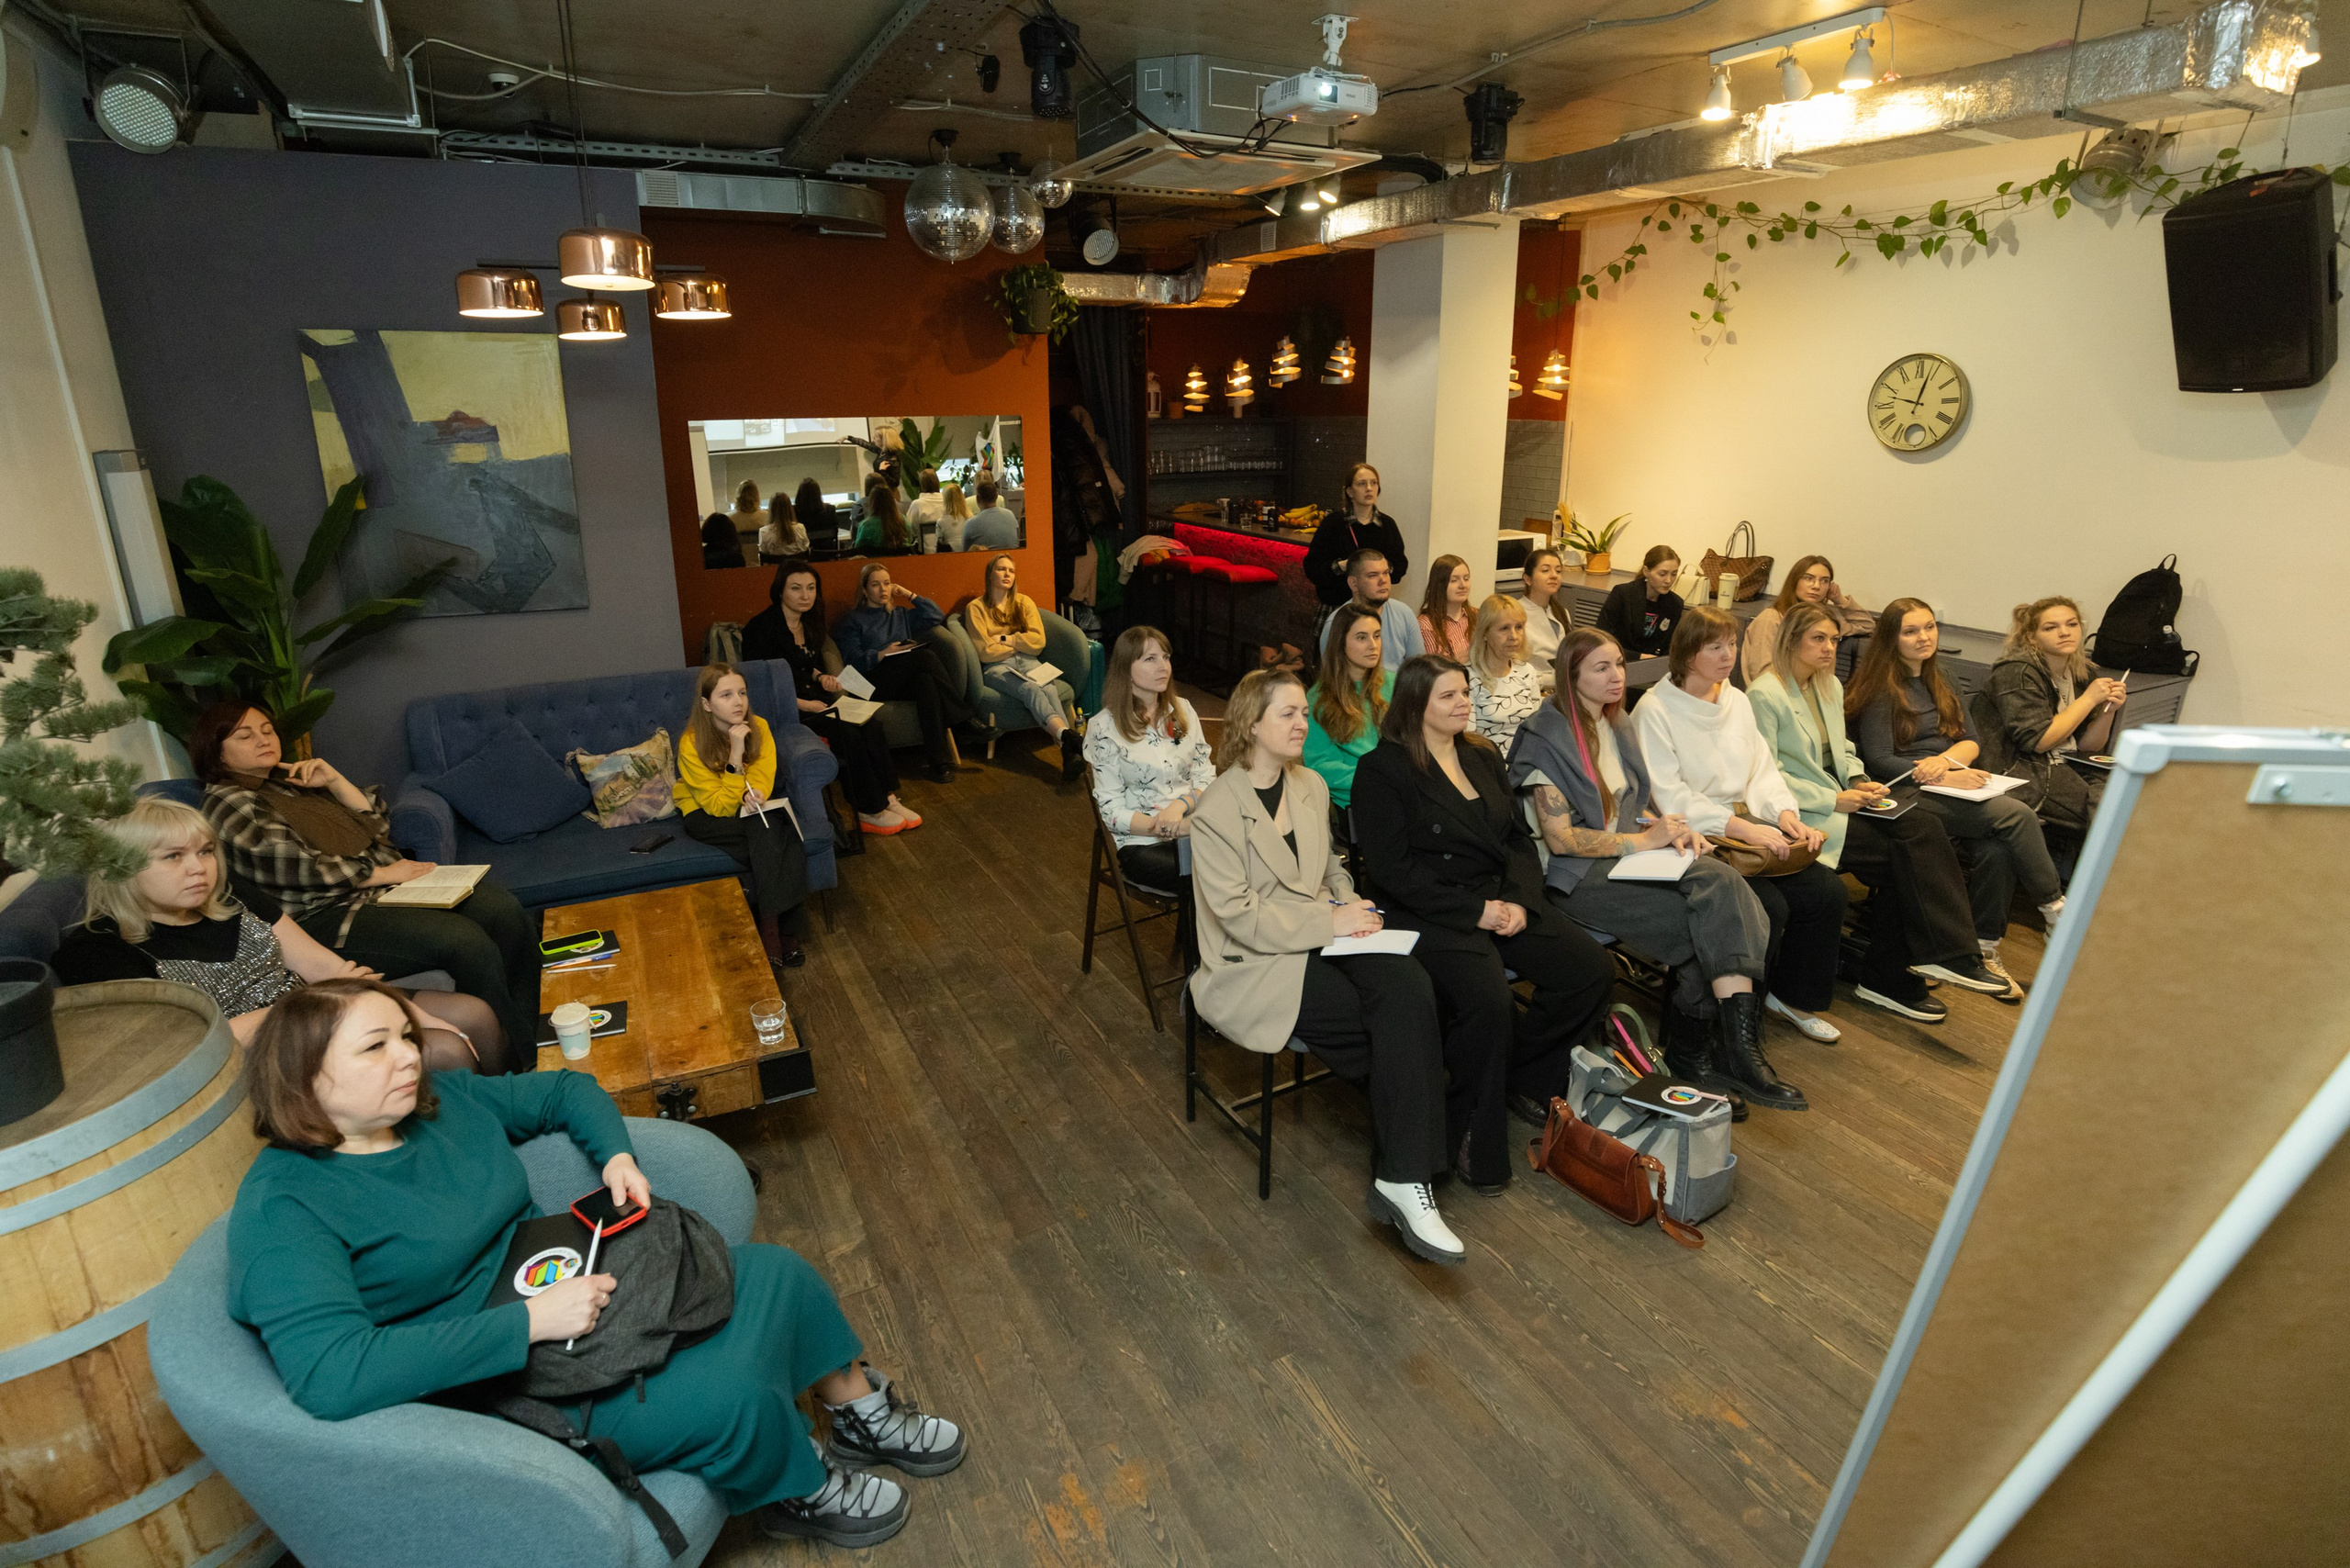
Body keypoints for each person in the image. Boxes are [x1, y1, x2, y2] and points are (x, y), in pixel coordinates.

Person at [227, 978, 965, 1551]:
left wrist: (616, 1155)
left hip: (565, 1287)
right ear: (305, 1081)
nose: (410, 1057)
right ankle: (800, 1489)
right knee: (727, 1395)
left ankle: (856, 1413)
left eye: (405, 1037)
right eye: (375, 1047)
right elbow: (331, 1374)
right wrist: (526, 1325)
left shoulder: (436, 1103)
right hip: (496, 1375)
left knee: (774, 1272)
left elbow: (561, 1089)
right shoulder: (285, 1208)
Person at [1187, 671, 1460, 1264]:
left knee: (1411, 984)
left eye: (1301, 714)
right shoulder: (1217, 808)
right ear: (1249, 724)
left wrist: (1348, 903)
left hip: (1321, 930)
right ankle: (1411, 1167)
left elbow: (1331, 865)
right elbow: (1237, 917)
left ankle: (1401, 1172)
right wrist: (1328, 923)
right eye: (1286, 714)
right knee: (1381, 1026)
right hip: (1254, 961)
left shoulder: (1308, 784)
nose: (1300, 723)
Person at [1352, 655, 1614, 1192]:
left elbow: (1516, 839)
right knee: (1489, 1000)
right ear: (1416, 705)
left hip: (1500, 898)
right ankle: (1471, 1129)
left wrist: (1518, 900)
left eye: (1464, 693)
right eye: (1448, 696)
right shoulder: (1384, 769)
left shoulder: (1482, 754)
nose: (1463, 703)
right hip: (1431, 909)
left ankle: (1526, 1074)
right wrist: (1475, 913)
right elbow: (1391, 871)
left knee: (1590, 969)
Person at [54, 797, 512, 1072]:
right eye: (173, 857)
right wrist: (324, 1001)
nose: (199, 868)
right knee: (445, 1050)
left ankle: (508, 1130)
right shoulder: (98, 952)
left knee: (472, 1015)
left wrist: (408, 1010)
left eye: (206, 851)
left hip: (319, 1008)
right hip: (259, 1057)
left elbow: (322, 966)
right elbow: (192, 1045)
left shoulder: (231, 895)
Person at [1513, 629, 1774, 1107]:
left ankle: (1704, 1060)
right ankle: (1726, 1052)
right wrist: (1642, 841)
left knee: (1713, 896)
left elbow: (1631, 806)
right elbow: (1561, 839)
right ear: (1571, 678)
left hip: (1626, 858)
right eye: (1602, 668)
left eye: (1619, 664)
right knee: (1714, 901)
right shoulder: (1546, 735)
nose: (1618, 677)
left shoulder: (1618, 723)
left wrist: (1669, 828)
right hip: (1572, 875)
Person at [196, 701, 543, 1060]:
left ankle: (531, 1037)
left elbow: (377, 830)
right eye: (245, 735)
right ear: (217, 751)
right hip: (325, 917)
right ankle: (514, 1064)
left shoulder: (289, 783)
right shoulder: (228, 801)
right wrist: (381, 873)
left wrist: (335, 781)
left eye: (267, 730)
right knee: (466, 943)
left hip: (381, 893)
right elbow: (292, 866)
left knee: (503, 910)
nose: (263, 739)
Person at [1750, 606, 2014, 1015]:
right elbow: (1764, 774)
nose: (1830, 648)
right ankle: (1902, 974)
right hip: (1801, 811)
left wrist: (1857, 780)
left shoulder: (1828, 686)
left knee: (1921, 826)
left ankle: (1941, 960)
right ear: (1791, 641)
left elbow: (1845, 752)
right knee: (1904, 858)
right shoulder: (1765, 694)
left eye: (1834, 640)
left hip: (1842, 797)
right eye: (1818, 639)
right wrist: (1834, 799)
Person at [1634, 605, 1839, 1103]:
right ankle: (1726, 1042)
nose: (1729, 656)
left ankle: (1777, 1005)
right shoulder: (1656, 709)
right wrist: (1744, 828)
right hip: (1697, 833)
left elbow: (1761, 772)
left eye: (1733, 644)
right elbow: (1669, 796)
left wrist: (1786, 815)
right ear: (1687, 652)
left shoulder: (1738, 702)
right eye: (1715, 647)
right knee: (1768, 907)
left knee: (1825, 893)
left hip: (1745, 825)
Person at [1847, 598, 2069, 972]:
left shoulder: (1942, 676)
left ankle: (1982, 947)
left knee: (1998, 850)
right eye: (1911, 631)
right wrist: (1945, 774)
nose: (1924, 637)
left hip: (1944, 778)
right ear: (1891, 639)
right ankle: (2056, 912)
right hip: (1902, 789)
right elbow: (1880, 759)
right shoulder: (1879, 687)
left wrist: (1948, 763)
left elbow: (1971, 739)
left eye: (1930, 627)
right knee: (2015, 817)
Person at [741, 565, 918, 836]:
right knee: (846, 730)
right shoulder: (761, 628)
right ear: (779, 591)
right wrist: (803, 704)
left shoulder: (810, 622)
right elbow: (757, 685)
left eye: (811, 588)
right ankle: (869, 809)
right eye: (796, 588)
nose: (805, 595)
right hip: (783, 706)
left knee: (871, 723)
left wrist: (822, 675)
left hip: (814, 696)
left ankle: (887, 798)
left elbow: (804, 664)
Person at [675, 663, 811, 969]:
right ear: (707, 705)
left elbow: (764, 775)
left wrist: (757, 793)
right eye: (726, 695)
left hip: (750, 810)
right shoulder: (691, 742)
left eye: (742, 693)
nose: (739, 702)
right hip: (705, 815)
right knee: (777, 835)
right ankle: (782, 934)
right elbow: (719, 805)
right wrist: (736, 754)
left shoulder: (759, 727)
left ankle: (772, 934)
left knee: (772, 831)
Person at [1082, 625, 1215, 890]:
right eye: (1150, 659)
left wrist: (1180, 806)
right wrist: (1167, 828)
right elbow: (1111, 812)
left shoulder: (1183, 710)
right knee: (1207, 877)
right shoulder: (1104, 727)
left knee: (1243, 863)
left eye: (1165, 657)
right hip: (1142, 842)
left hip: (1194, 828)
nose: (1163, 666)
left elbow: (1207, 778)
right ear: (1126, 670)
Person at [1986, 595, 2123, 834]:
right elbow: (2038, 741)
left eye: (2072, 624)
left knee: (2129, 797)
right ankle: (2106, 868)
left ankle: (2102, 865)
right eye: (2051, 627)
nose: (2065, 632)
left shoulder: (2081, 671)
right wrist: (2089, 699)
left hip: (2069, 763)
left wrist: (2108, 711)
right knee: (2111, 814)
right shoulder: (2017, 670)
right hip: (2025, 769)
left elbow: (2088, 747)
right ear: (2032, 637)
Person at [834, 564, 975, 782]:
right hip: (872, 681)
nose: (883, 589)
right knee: (925, 657)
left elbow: (935, 615)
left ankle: (939, 763)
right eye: (875, 585)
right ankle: (963, 719)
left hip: (903, 678)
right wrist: (882, 653)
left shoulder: (899, 614)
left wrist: (909, 594)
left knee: (926, 681)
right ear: (864, 590)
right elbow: (852, 660)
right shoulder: (853, 620)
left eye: (887, 583)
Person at [965, 554, 1081, 781]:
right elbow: (984, 652)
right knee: (1031, 690)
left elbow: (1038, 644)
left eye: (1011, 570)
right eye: (1001, 569)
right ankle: (1069, 740)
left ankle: (1068, 749)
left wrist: (1005, 639)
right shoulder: (976, 608)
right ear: (990, 574)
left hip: (1029, 661)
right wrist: (1020, 644)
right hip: (997, 668)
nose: (1007, 574)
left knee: (1049, 688)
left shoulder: (1024, 602)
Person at [1303, 605, 1391, 812]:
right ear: (1340, 644)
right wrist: (1376, 782)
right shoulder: (1318, 698)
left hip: (1399, 788)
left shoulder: (1395, 684)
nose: (1373, 645)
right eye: (1362, 638)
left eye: (1377, 636)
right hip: (1355, 798)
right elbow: (1320, 765)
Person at [1742, 554, 1867, 683]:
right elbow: (1762, 672)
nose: (1816, 586)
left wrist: (1839, 599)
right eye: (1808, 578)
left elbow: (1865, 624)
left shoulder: (1824, 622)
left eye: (1824, 581)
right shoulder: (1772, 618)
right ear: (1794, 581)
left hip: (1816, 695)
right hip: (1778, 696)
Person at [1304, 462, 1408, 608]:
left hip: (1375, 607)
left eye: (1374, 483)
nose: (1369, 488)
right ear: (1350, 492)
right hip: (1338, 606)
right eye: (1362, 484)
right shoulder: (1333, 523)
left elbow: (1400, 566)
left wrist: (1380, 569)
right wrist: (1341, 566)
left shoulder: (1387, 524)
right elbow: (1312, 568)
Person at [1316, 549, 1422, 670]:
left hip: (1400, 688)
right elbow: (1333, 677)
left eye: (1386, 573)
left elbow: (1418, 671)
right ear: (1353, 584)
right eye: (1373, 575)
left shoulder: (1404, 613)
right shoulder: (1336, 623)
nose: (1383, 580)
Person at [1465, 594, 1541, 753]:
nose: (1513, 636)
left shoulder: (1527, 671)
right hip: (1488, 763)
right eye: (1504, 628)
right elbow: (1468, 740)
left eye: (1519, 627)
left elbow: (1537, 729)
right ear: (1484, 633)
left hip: (1525, 761)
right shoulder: (1467, 678)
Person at [1595, 544, 1684, 659]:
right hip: (1617, 660)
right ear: (1646, 571)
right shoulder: (1623, 594)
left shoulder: (1675, 604)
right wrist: (1639, 657)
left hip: (1651, 666)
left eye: (1674, 574)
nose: (1668, 580)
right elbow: (1601, 639)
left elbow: (1669, 648)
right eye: (1662, 574)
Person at [1513, 547, 1572, 689]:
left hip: (1562, 688)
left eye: (1558, 571)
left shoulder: (1562, 612)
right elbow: (1512, 666)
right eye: (1545, 570)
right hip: (1532, 688)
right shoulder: (1515, 613)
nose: (1554, 576)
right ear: (1528, 579)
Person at [1416, 554, 1474, 662]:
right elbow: (1439, 669)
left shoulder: (1478, 615)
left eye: (1466, 579)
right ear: (1440, 585)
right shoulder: (1426, 625)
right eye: (1454, 580)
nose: (1463, 585)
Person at [851, 485, 916, 554]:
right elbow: (910, 541)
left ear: (872, 502)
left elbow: (859, 551)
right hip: (901, 563)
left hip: (876, 564)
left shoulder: (865, 526)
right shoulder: (904, 522)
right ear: (892, 501)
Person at [761, 481, 816, 563]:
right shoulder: (800, 528)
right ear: (789, 508)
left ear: (771, 509)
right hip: (797, 569)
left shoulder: (764, 532)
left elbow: (764, 554)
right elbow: (805, 549)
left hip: (775, 572)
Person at [961, 478, 1020, 552]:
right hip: (1011, 558)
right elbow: (1017, 541)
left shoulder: (971, 524)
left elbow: (965, 552)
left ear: (978, 498)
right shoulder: (1010, 515)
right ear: (996, 496)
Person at [906, 468, 946, 553]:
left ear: (921, 485)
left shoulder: (917, 505)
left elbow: (909, 531)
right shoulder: (947, 502)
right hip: (948, 553)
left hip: (925, 553)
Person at [935, 481, 974, 554]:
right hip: (968, 556)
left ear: (945, 500)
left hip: (950, 558)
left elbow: (938, 547)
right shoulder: (970, 519)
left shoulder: (941, 522)